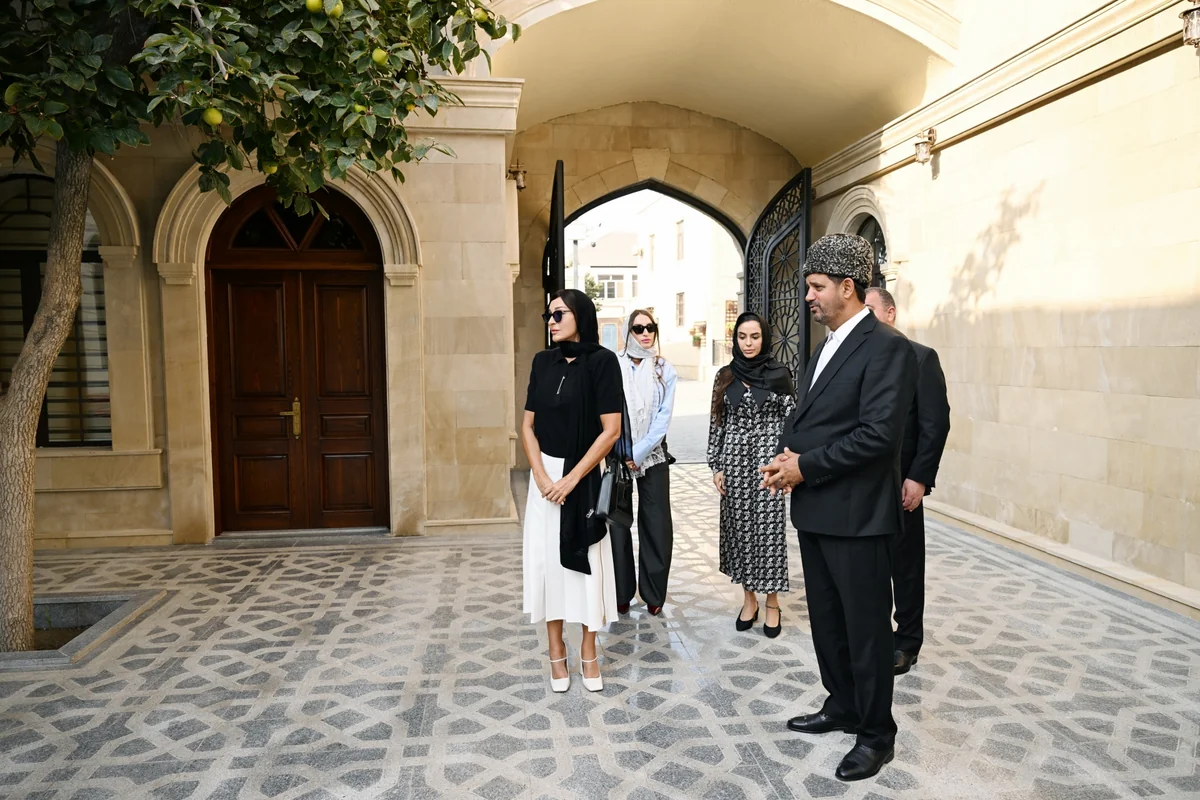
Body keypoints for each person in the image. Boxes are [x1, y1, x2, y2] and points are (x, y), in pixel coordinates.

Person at [761, 234, 917, 782]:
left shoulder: (888, 348)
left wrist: (805, 466)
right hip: (817, 510)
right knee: (828, 625)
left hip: (858, 517)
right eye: (809, 286)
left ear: (848, 288)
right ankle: (843, 705)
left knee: (866, 630)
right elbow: (813, 420)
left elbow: (877, 436)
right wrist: (787, 458)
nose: (808, 296)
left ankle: (876, 734)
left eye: (817, 287)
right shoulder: (823, 346)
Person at [521, 289, 623, 694]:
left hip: (583, 477)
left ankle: (588, 651)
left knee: (588, 567)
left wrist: (571, 479)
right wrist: (544, 478)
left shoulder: (602, 362)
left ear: (580, 315)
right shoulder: (541, 362)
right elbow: (527, 426)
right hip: (544, 479)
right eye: (548, 314)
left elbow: (610, 430)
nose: (551, 320)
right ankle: (555, 654)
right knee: (547, 565)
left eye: (559, 313)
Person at [865, 286, 951, 676]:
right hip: (865, 484)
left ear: (891, 312)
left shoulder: (921, 358)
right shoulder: (862, 359)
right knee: (871, 566)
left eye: (870, 310)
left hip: (903, 485)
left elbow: (935, 425)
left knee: (906, 566)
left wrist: (918, 478)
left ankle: (908, 641)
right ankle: (877, 634)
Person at [707, 312, 796, 638]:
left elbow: (792, 421)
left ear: (765, 338)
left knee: (769, 535)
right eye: (742, 337)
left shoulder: (779, 374)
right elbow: (717, 422)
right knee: (739, 535)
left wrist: (786, 464)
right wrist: (716, 465)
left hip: (767, 468)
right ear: (735, 339)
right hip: (733, 468)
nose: (748, 343)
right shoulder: (725, 375)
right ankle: (749, 599)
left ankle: (771, 602)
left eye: (754, 337)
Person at [610, 309, 678, 617]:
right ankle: (621, 592)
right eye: (638, 328)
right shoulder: (614, 366)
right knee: (617, 525)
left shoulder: (664, 369)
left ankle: (653, 594)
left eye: (651, 327)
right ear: (628, 332)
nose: (645, 333)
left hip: (652, 456)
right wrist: (622, 451)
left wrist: (637, 453)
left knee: (656, 525)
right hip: (616, 454)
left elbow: (662, 418)